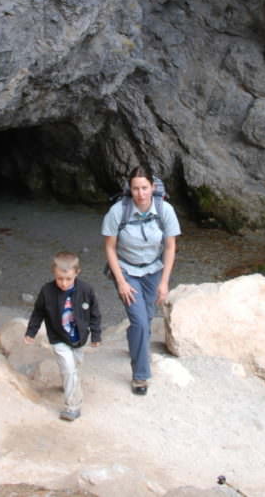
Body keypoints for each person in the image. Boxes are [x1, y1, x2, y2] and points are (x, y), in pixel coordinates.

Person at [102, 165, 181, 395]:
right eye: (135, 188)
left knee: (146, 318)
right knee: (140, 321)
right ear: (130, 189)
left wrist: (164, 282)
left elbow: (170, 246)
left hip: (153, 270)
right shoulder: (119, 211)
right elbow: (109, 247)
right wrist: (121, 282)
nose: (140, 193)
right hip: (126, 270)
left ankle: (134, 343)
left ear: (152, 187)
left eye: (145, 188)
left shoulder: (164, 209)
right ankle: (140, 376)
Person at [24, 251, 102, 421]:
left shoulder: (86, 290)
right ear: (54, 273)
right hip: (58, 337)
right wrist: (31, 332)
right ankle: (72, 406)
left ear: (77, 273)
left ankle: (68, 384)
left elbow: (95, 314)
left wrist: (96, 335)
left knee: (75, 365)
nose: (64, 283)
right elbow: (38, 312)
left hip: (79, 337)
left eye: (68, 279)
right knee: (68, 367)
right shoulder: (47, 291)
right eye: (60, 279)